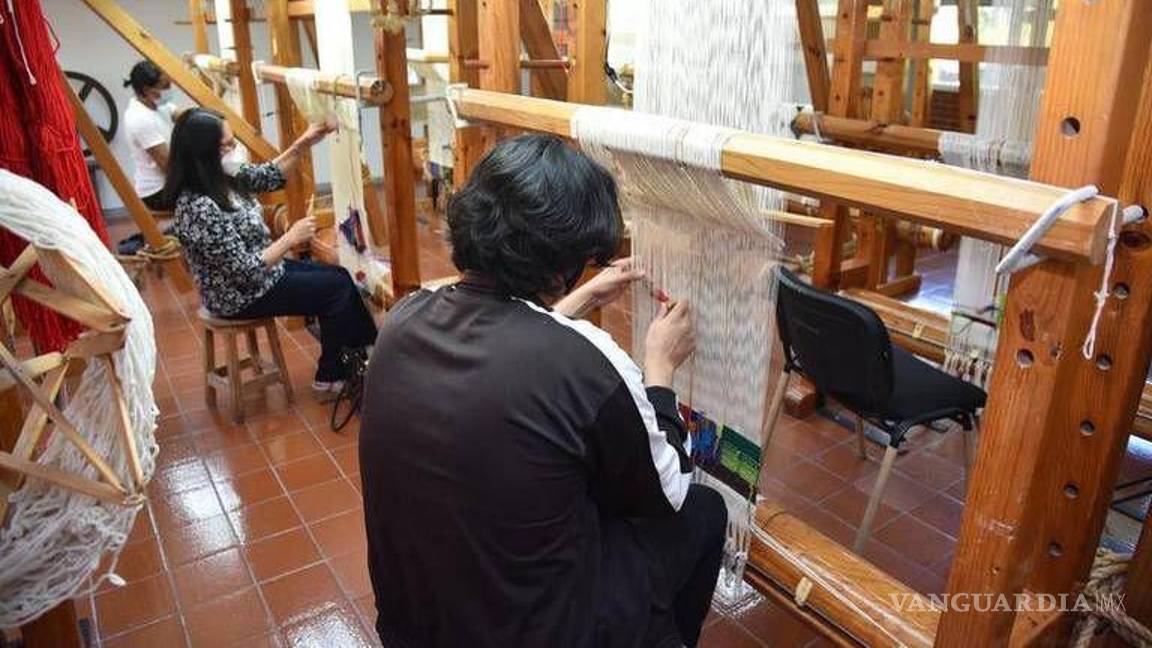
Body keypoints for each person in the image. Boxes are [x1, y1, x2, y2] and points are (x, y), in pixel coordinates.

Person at [360, 134, 726, 648]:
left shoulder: (404, 318)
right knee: (705, 512)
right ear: (564, 262)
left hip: (416, 623)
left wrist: (574, 301)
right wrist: (661, 367)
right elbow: (668, 490)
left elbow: (500, 345)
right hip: (535, 633)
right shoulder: (588, 364)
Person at [166, 108, 378, 392]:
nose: (232, 149)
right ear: (203, 153)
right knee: (335, 290)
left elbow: (267, 175)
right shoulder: (197, 206)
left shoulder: (221, 174)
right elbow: (244, 270)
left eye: (232, 142)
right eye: (225, 145)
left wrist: (305, 142)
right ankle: (333, 372)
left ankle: (366, 355)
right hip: (238, 294)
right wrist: (291, 238)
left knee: (339, 276)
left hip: (263, 273)